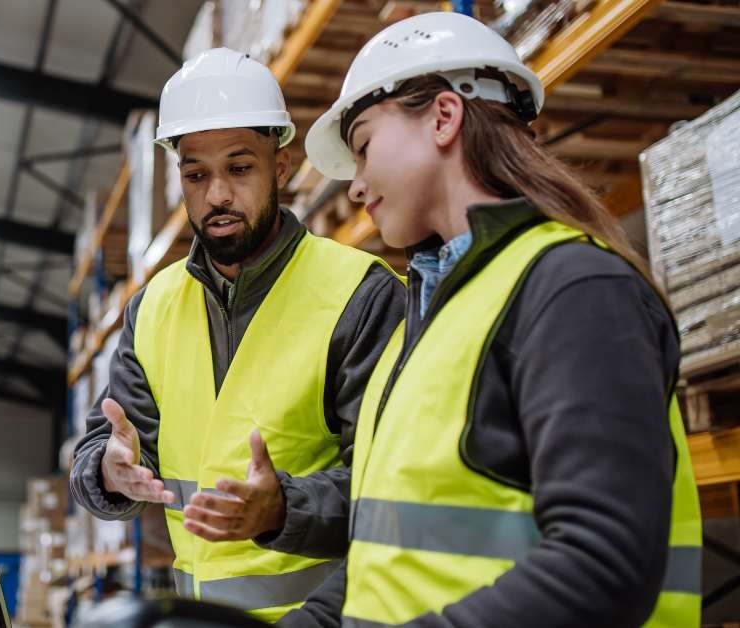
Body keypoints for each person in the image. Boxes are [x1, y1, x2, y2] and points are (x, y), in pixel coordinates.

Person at [278, 11, 700, 626]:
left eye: (364, 147)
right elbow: (383, 552)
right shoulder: (425, 322)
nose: (358, 187)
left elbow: (603, 564)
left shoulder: (575, 290)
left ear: (444, 118)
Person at [69, 47, 405, 624]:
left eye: (240, 167)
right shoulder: (151, 308)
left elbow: (396, 487)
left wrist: (284, 509)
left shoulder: (362, 294)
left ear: (280, 165)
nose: (217, 195)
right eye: (196, 175)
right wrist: (108, 470)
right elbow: (101, 446)